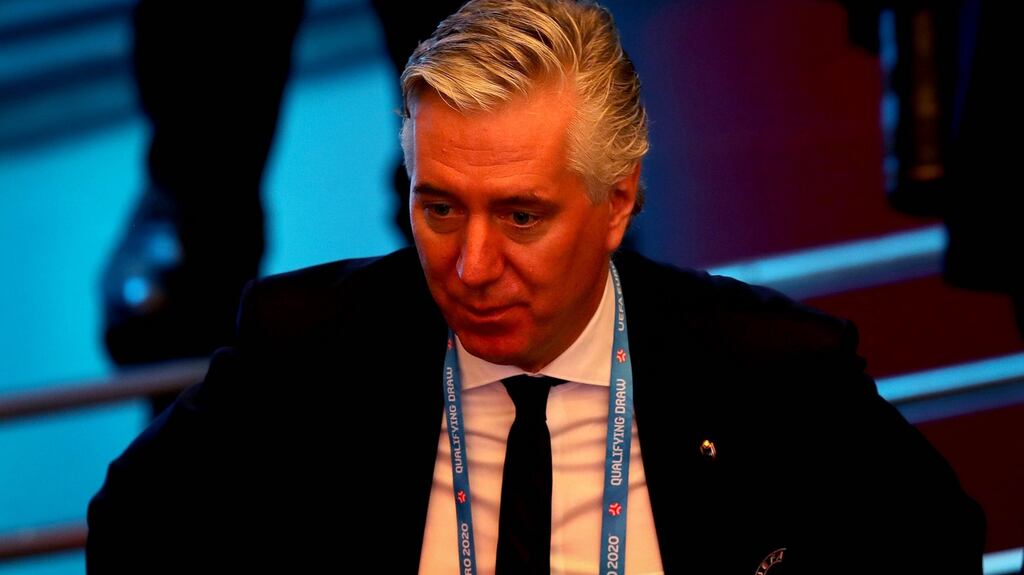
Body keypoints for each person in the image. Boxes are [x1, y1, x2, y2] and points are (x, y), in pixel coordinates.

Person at [86, 1, 985, 573]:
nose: (472, 268)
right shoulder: (307, 350)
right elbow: (132, 539)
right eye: (439, 209)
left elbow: (934, 548)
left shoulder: (772, 368)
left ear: (616, 201)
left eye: (521, 216)